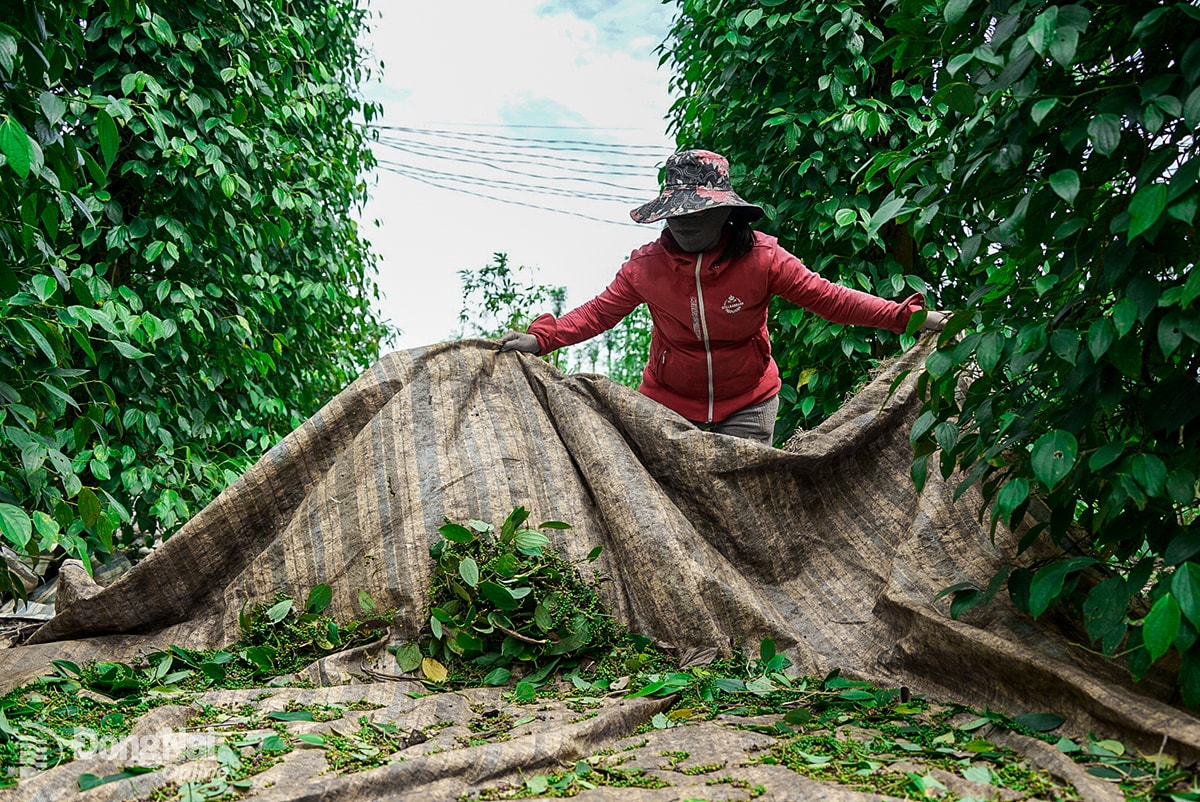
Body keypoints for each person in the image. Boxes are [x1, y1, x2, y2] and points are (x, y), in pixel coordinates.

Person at [499, 149, 946, 444]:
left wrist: (913, 319)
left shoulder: (764, 259)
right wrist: (542, 340)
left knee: (742, 508)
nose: (687, 225)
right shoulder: (645, 267)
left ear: (726, 213)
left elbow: (831, 300)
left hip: (749, 402)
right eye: (678, 216)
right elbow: (598, 313)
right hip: (667, 403)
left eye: (699, 214)